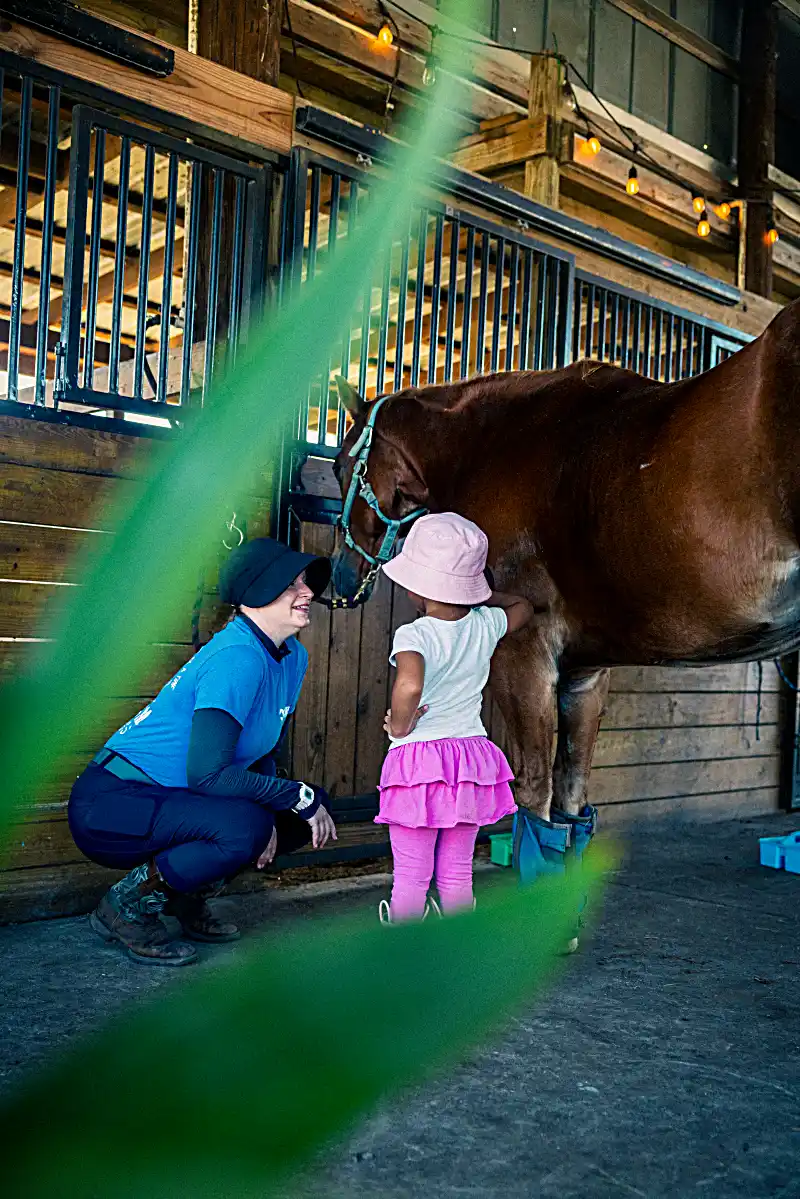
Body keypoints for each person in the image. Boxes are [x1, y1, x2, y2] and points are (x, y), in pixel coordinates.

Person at [68, 537, 337, 967]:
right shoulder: (237, 657)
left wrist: (285, 806)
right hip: (112, 802)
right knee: (248, 825)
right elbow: (208, 775)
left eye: (306, 582)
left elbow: (255, 751)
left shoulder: (292, 656)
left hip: (174, 798)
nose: (307, 592)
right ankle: (127, 906)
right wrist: (289, 798)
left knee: (303, 812)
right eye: (292, 584)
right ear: (257, 591)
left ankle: (184, 896)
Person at [376, 512, 533, 922]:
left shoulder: (415, 634)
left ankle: (404, 959)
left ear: (417, 588)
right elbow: (523, 606)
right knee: (457, 872)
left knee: (411, 875)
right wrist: (482, 598)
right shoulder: (487, 624)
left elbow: (409, 686)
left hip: (419, 762)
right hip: (470, 760)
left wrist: (401, 725)